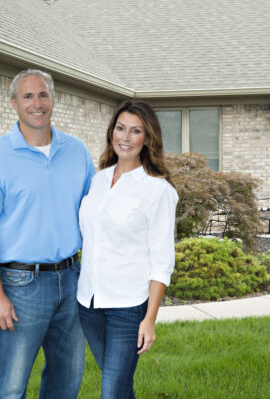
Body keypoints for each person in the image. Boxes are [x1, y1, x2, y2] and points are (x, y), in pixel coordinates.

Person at [0, 69, 95, 398]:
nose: (36, 103)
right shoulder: (1, 155)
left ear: (53, 99)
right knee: (11, 385)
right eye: (28, 96)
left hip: (71, 280)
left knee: (67, 380)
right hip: (19, 286)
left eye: (43, 95)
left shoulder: (77, 151)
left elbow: (94, 215)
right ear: (14, 103)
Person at [77, 100, 178, 399]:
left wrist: (149, 319)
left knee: (111, 391)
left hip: (128, 308)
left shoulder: (158, 190)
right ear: (111, 132)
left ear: (147, 139)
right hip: (88, 303)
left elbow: (162, 261)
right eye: (120, 128)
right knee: (119, 387)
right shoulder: (97, 180)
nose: (125, 137)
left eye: (135, 131)